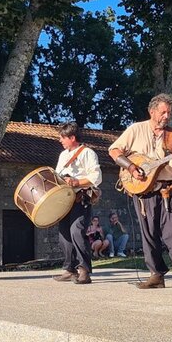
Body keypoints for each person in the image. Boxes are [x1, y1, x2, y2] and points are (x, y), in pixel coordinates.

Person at [109, 94, 172, 291]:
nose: (167, 116)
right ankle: (156, 275)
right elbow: (114, 150)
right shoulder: (136, 129)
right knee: (149, 233)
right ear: (152, 112)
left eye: (169, 112)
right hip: (143, 192)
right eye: (163, 112)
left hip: (169, 189)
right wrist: (132, 167)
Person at [51, 122, 102, 285]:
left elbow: (96, 178)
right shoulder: (63, 155)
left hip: (81, 198)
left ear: (72, 138)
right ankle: (69, 269)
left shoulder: (88, 153)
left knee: (76, 232)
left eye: (62, 137)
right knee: (64, 233)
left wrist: (76, 181)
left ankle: (84, 270)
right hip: (65, 199)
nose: (60, 140)